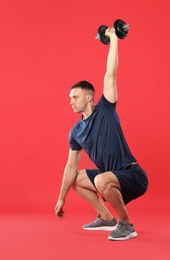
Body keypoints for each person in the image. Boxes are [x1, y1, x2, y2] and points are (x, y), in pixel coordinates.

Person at [54, 27, 148, 241]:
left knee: (102, 181)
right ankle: (106, 218)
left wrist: (114, 37)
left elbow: (111, 72)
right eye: (70, 97)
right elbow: (70, 167)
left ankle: (127, 224)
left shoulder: (106, 109)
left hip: (132, 175)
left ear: (88, 98)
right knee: (75, 179)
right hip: (107, 178)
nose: (70, 101)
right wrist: (61, 198)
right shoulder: (75, 132)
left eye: (75, 97)